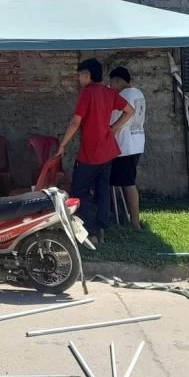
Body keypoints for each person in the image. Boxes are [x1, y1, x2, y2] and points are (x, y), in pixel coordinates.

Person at [55, 59, 135, 244]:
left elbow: (76, 122)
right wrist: (114, 128)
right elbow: (130, 111)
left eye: (80, 74)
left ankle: (89, 229)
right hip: (107, 152)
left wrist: (63, 144)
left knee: (79, 190)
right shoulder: (108, 92)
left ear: (87, 75)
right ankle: (101, 230)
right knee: (102, 190)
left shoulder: (87, 93)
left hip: (90, 153)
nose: (78, 78)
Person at [108, 67, 146, 229]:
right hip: (137, 141)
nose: (111, 86)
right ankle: (128, 215)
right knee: (125, 181)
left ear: (117, 80)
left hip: (125, 144)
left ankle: (135, 221)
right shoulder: (138, 93)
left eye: (112, 83)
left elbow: (118, 117)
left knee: (128, 183)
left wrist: (113, 128)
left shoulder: (124, 95)